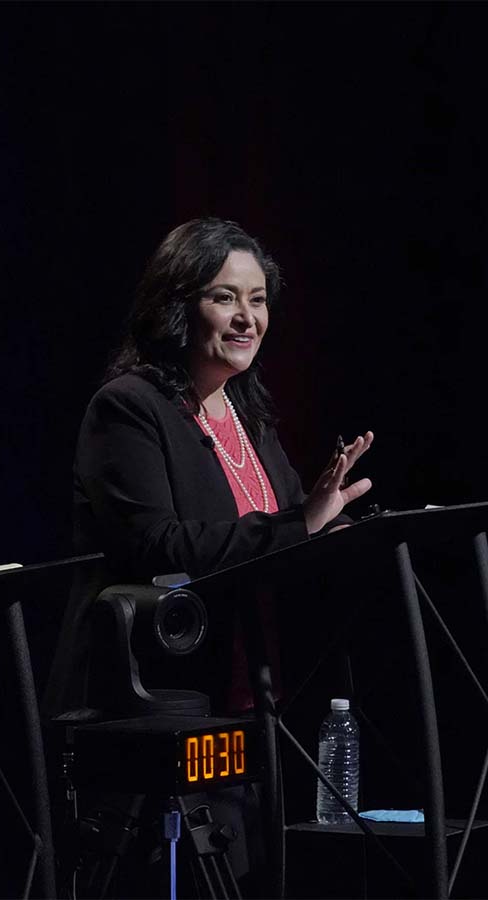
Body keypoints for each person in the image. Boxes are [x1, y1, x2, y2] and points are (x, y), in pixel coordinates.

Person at [46, 217, 374, 716]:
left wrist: (340, 530)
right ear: (178, 307)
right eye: (225, 298)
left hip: (253, 695)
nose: (248, 317)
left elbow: (285, 525)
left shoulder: (251, 419)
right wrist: (304, 521)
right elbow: (159, 547)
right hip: (154, 703)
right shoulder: (128, 407)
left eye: (258, 299)